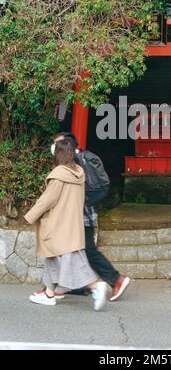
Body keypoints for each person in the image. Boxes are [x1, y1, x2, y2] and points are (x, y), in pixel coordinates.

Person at [25, 139, 108, 310]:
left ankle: (95, 286)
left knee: (73, 262)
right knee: (53, 258)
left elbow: (47, 200)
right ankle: (49, 294)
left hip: (58, 226)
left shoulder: (59, 175)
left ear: (59, 154)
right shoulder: (78, 172)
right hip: (71, 226)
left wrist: (30, 216)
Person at [51, 132, 130, 302]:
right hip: (82, 215)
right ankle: (68, 287)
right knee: (75, 250)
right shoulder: (76, 160)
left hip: (80, 216)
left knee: (84, 251)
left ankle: (115, 279)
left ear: (67, 146)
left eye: (57, 144)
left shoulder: (75, 163)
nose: (54, 148)